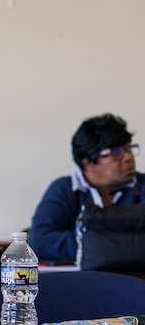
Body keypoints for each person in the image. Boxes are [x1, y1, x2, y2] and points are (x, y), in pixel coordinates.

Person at [30, 113, 145, 264]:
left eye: (129, 149)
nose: (128, 157)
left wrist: (92, 242)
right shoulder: (64, 189)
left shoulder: (142, 185)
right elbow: (40, 242)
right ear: (88, 163)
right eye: (116, 152)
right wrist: (119, 245)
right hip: (81, 282)